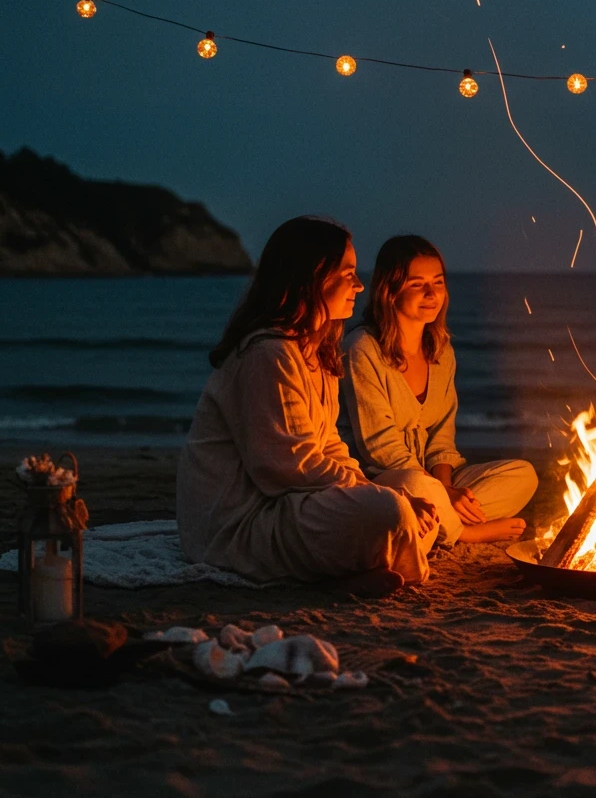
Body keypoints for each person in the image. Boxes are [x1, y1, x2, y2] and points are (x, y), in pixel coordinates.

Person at [177, 217, 438, 597]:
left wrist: (381, 491)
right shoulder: (269, 353)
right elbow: (288, 465)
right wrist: (389, 501)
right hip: (241, 524)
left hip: (290, 501)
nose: (360, 285)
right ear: (313, 277)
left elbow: (329, 446)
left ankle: (352, 570)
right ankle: (347, 572)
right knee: (388, 513)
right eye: (347, 274)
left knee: (414, 498)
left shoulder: (315, 352)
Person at [339, 234, 536, 546]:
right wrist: (442, 492)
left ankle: (437, 525)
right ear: (390, 291)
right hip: (382, 479)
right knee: (417, 486)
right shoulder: (363, 349)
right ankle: (464, 532)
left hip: (431, 481)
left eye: (438, 282)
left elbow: (441, 441)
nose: (432, 293)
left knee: (523, 475)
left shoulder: (441, 352)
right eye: (418, 284)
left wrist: (448, 489)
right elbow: (380, 448)